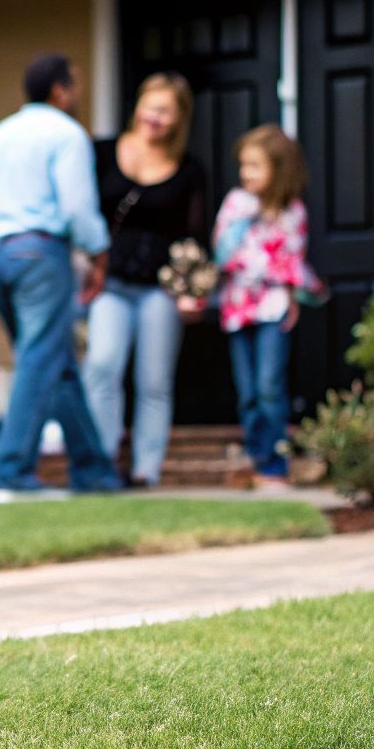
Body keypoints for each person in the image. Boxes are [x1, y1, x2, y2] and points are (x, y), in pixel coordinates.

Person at [0, 53, 125, 501]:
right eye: (75, 83)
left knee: (55, 361)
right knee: (39, 359)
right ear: (60, 90)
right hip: (40, 253)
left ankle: (93, 470)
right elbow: (77, 207)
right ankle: (11, 472)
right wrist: (98, 253)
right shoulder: (66, 134)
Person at [84, 72, 210, 488]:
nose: (155, 117)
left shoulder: (188, 170)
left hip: (159, 290)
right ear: (137, 105)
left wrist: (191, 292)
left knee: (154, 381)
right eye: (150, 106)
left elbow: (194, 237)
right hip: (110, 283)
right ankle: (101, 463)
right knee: (103, 365)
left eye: (165, 111)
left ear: (179, 119)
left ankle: (145, 470)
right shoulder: (102, 153)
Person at [212, 124, 324, 490]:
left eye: (255, 166)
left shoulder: (293, 213)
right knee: (247, 392)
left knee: (269, 386)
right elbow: (223, 254)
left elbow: (292, 261)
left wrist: (291, 296)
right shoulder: (236, 205)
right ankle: (258, 457)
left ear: (279, 169)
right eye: (243, 165)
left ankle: (275, 466)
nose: (246, 173)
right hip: (237, 308)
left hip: (273, 308)